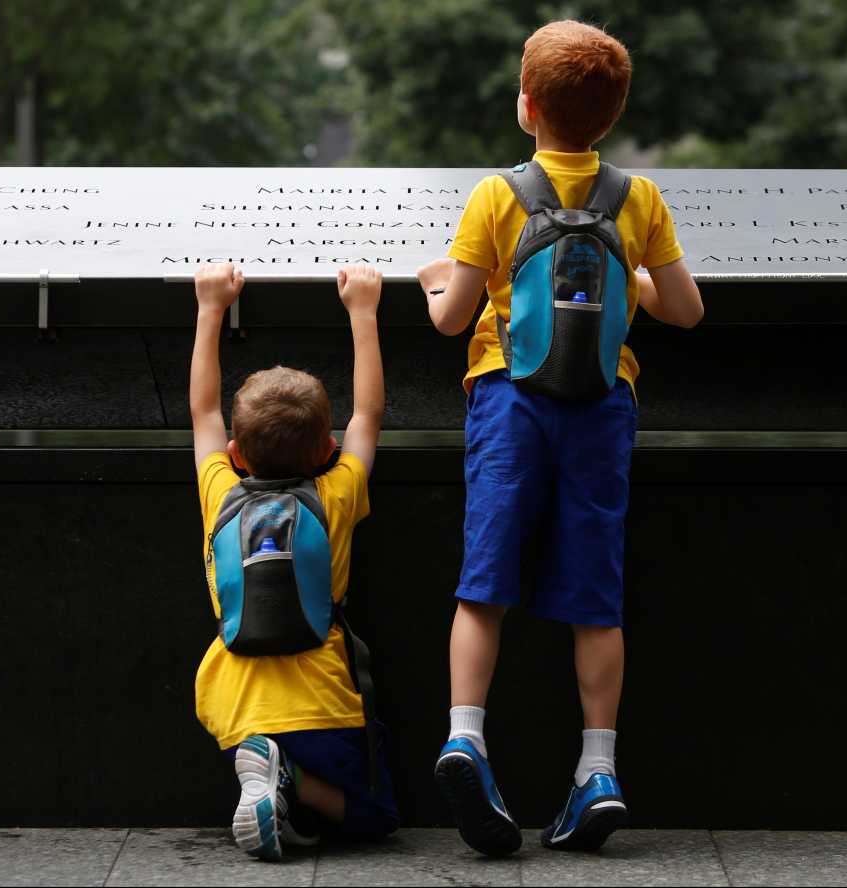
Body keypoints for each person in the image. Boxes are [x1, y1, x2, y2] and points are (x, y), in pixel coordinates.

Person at [415, 19, 705, 857]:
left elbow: (449, 320)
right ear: (610, 117)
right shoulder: (638, 198)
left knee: (486, 580)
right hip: (601, 406)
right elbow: (686, 311)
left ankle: (466, 736)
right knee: (594, 589)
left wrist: (436, 279)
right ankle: (598, 770)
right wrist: (637, 276)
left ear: (526, 106)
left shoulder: (497, 195)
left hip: (510, 398)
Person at [188, 262, 398, 861]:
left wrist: (210, 311)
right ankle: (292, 782)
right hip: (324, 703)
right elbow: (370, 416)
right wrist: (363, 312)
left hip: (235, 702)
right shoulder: (336, 496)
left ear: (235, 452)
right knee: (376, 814)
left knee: (266, 746)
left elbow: (203, 414)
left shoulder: (219, 492)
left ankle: (265, 771)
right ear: (328, 451)